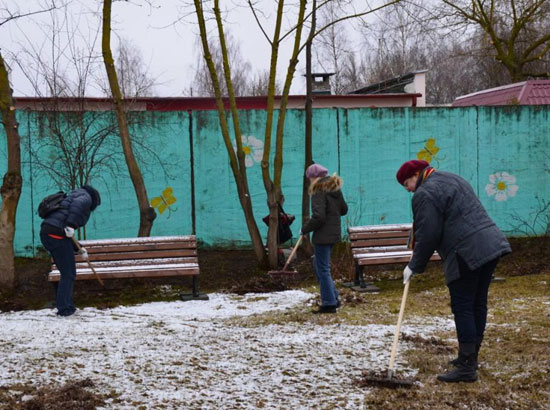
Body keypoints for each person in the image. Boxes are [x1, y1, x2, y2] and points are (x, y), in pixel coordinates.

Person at [396, 159, 511, 382]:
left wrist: (414, 266)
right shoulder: (452, 178)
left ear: (417, 175)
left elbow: (429, 234)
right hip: (490, 244)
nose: (408, 189)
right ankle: (470, 356)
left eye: (407, 183)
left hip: (465, 251)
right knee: (477, 302)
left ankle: (467, 367)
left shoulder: (425, 193)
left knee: (463, 306)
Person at [40, 185, 101, 317]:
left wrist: (79, 248)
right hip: (55, 236)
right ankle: (64, 308)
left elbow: (66, 234)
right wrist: (71, 225)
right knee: (68, 274)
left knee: (66, 273)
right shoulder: (85, 197)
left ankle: (67, 305)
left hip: (48, 232)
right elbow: (69, 222)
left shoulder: (73, 196)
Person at [301, 163, 348, 314]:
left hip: (323, 236)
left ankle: (329, 303)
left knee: (322, 268)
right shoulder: (334, 188)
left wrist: (305, 228)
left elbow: (319, 217)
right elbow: (344, 209)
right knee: (319, 265)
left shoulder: (318, 190)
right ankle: (333, 297)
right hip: (334, 234)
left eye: (310, 179)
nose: (309, 182)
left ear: (314, 178)